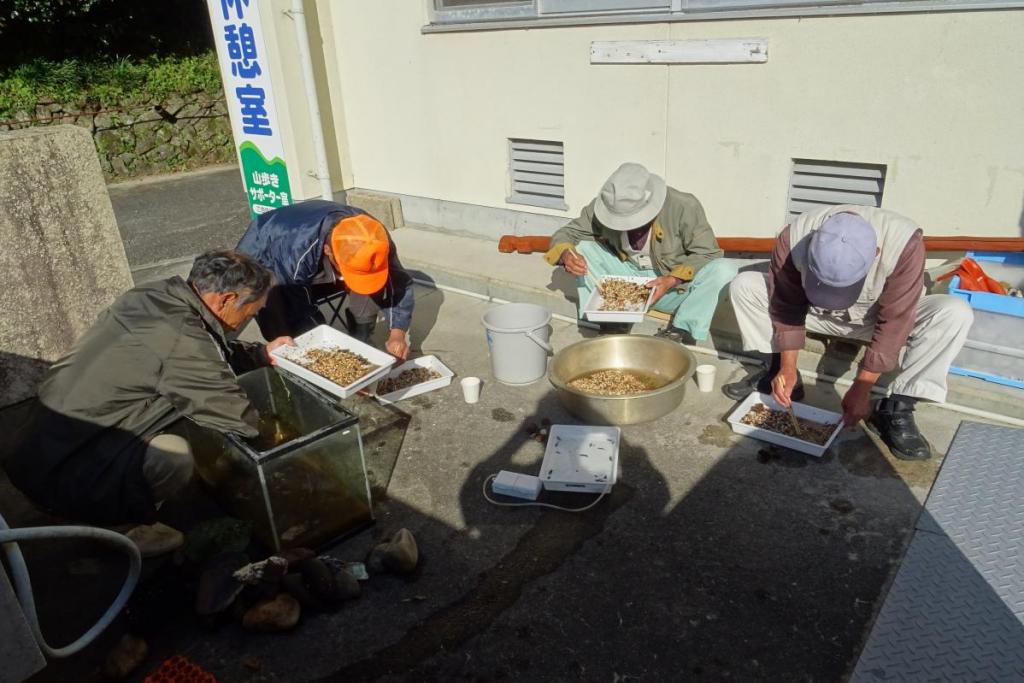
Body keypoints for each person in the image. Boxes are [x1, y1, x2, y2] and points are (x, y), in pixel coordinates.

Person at [3, 251, 293, 531]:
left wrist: (260, 354)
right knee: (173, 456)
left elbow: (205, 350)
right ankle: (123, 528)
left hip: (32, 449)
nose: (246, 321)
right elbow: (235, 416)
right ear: (226, 300)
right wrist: (286, 450)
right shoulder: (182, 338)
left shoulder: (153, 296)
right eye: (249, 313)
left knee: (182, 413)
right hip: (63, 476)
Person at [722, 206, 974, 460]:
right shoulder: (794, 236)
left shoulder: (905, 244)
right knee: (746, 285)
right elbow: (786, 305)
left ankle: (897, 407)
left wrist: (861, 388)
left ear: (875, 253)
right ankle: (782, 374)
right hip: (817, 314)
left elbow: (895, 322)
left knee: (954, 312)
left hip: (873, 318)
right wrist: (787, 366)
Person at [543, 163, 737, 341]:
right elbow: (567, 233)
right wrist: (566, 255)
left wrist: (671, 280)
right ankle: (612, 319)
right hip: (628, 281)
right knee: (583, 249)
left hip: (673, 289)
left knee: (724, 269)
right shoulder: (604, 205)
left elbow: (707, 254)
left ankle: (680, 331)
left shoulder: (684, 206)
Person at [236, 200, 414, 360]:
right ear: (329, 251)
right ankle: (288, 356)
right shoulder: (298, 251)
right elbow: (300, 311)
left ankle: (362, 338)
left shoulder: (373, 236)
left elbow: (399, 282)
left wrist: (397, 334)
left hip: (315, 256)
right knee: (279, 309)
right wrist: (331, 355)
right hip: (267, 257)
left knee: (371, 281)